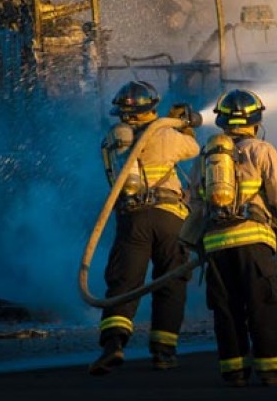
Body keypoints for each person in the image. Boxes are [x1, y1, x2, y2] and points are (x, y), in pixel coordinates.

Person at [196, 88, 277, 387]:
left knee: (227, 309)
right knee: (263, 304)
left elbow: (194, 201)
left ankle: (234, 371)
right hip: (252, 242)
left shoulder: (207, 156)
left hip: (216, 245)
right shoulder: (261, 150)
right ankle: (273, 370)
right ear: (257, 120)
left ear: (222, 121)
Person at [89, 80, 200, 376]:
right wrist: (184, 125)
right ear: (152, 106)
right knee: (171, 281)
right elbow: (193, 148)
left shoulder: (115, 137)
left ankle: (113, 345)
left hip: (133, 219)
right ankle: (164, 352)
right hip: (169, 217)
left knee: (124, 283)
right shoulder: (165, 134)